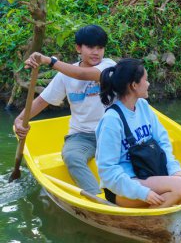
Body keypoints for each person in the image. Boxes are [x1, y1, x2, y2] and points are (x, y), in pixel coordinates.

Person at [14, 25, 116, 195]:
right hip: (82, 135)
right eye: (90, 47)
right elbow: (41, 101)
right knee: (71, 157)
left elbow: (83, 75)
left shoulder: (109, 67)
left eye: (100, 47)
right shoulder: (64, 75)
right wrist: (19, 120)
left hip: (112, 132)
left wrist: (50, 61)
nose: (96, 52)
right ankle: (97, 198)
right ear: (78, 48)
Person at [96, 58, 181, 208]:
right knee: (180, 187)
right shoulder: (112, 120)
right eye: (145, 80)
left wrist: (174, 169)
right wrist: (142, 192)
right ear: (134, 85)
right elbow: (107, 171)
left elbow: (162, 140)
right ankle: (150, 223)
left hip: (149, 173)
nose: (149, 84)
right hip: (124, 186)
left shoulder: (143, 106)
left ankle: (162, 212)